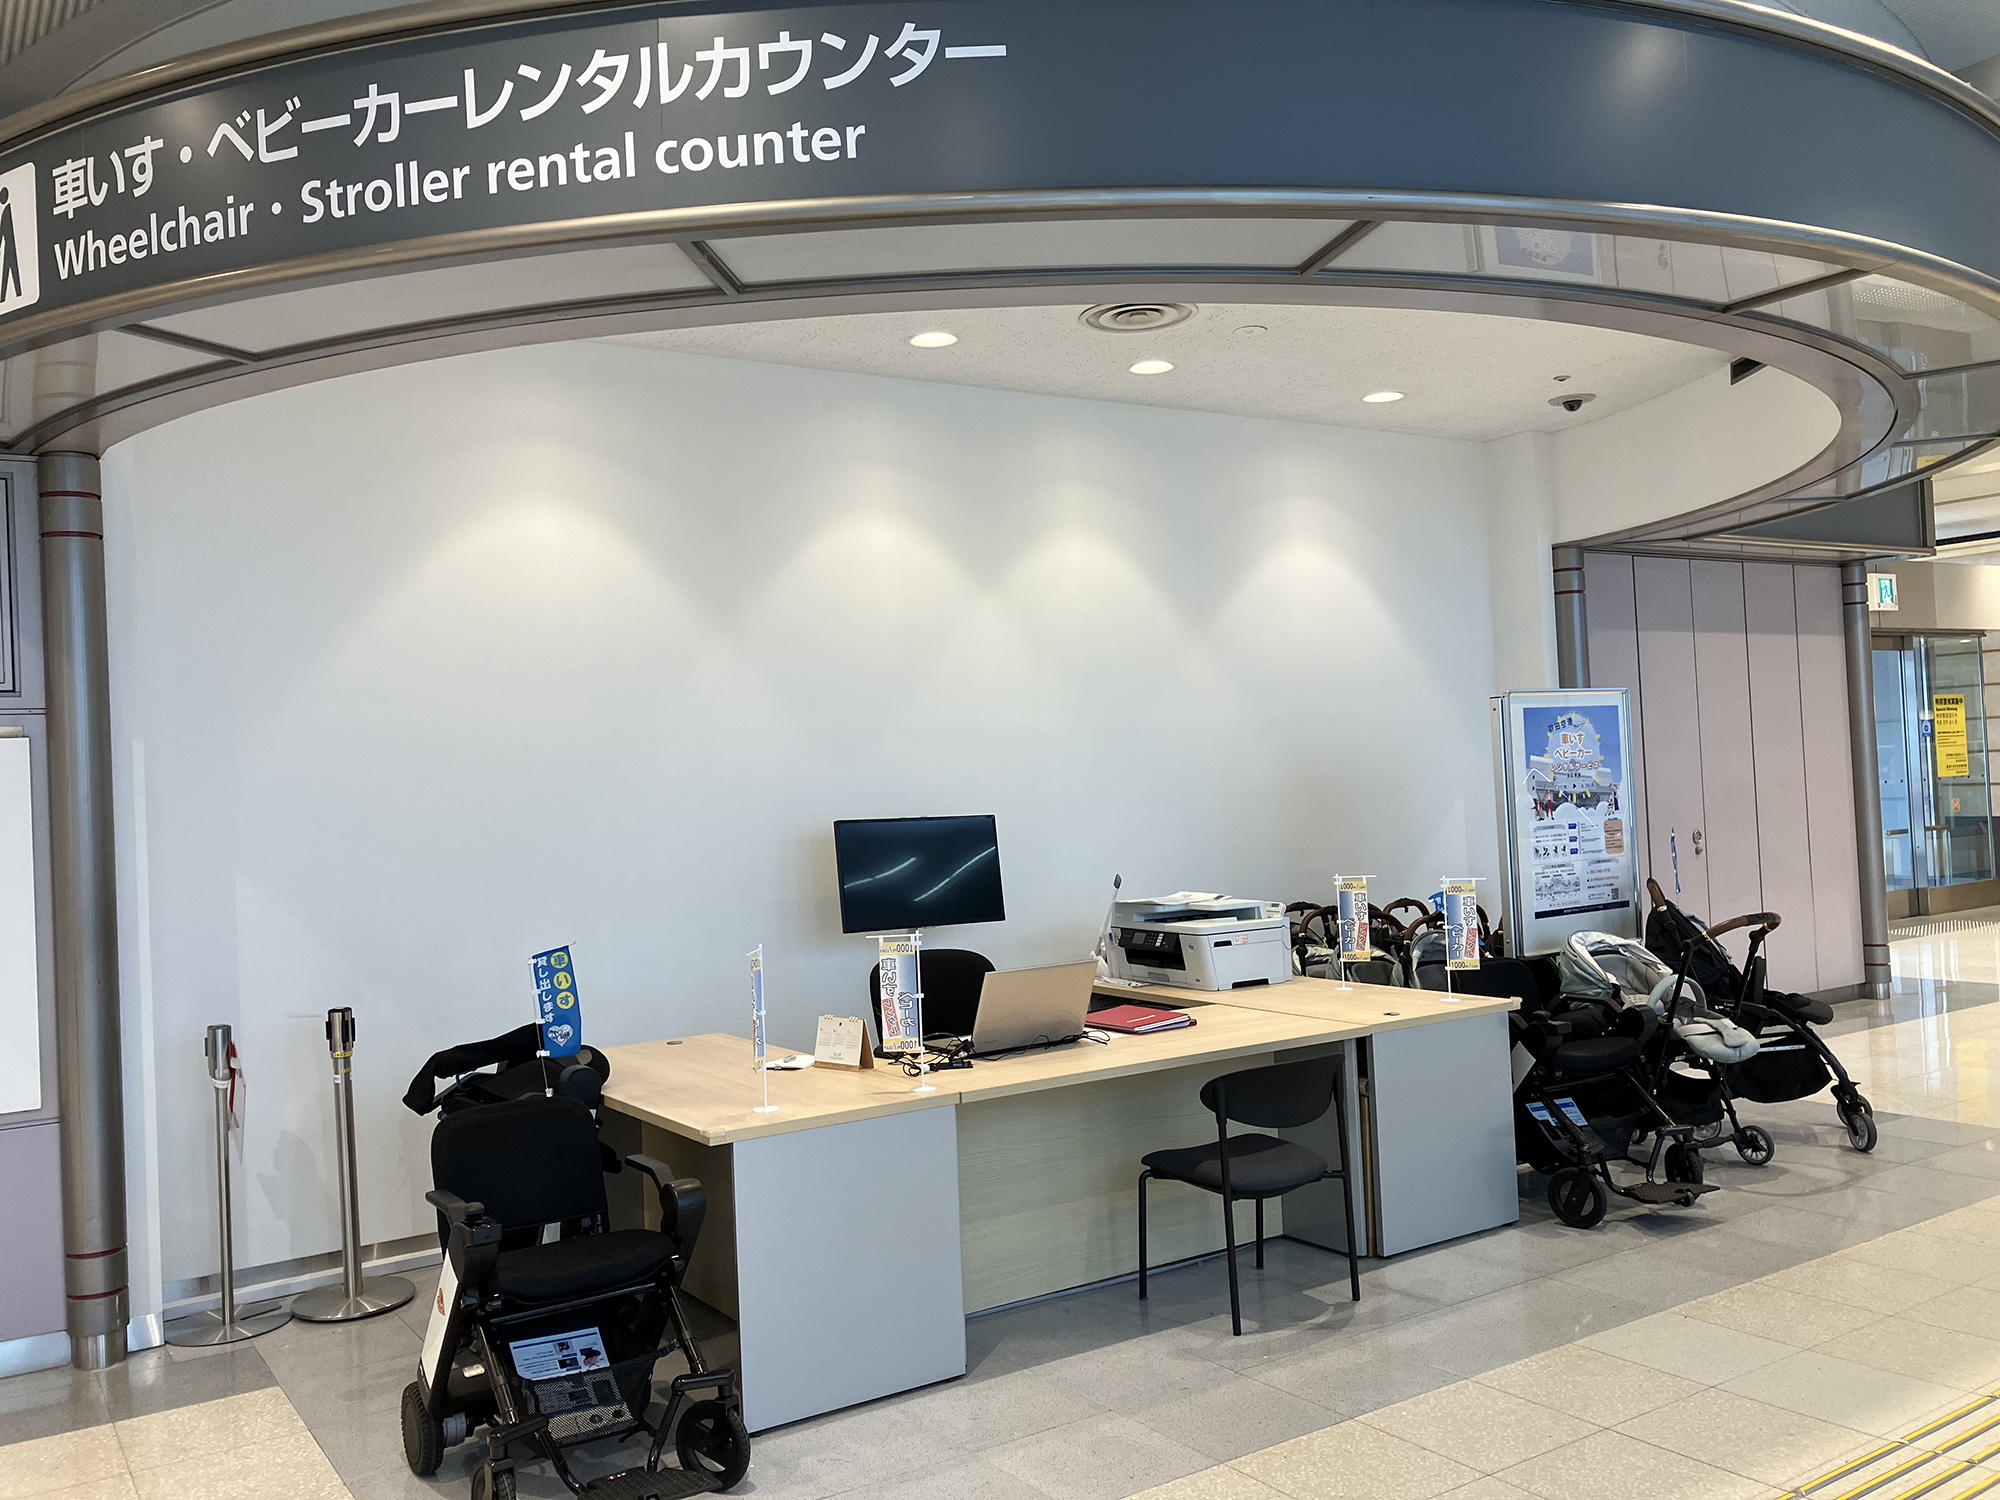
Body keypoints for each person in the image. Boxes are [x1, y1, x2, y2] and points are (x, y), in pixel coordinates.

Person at [0, 186, 20, 306]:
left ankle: (5, 295)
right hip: (9, 246)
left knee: (9, 271)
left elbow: (3, 230)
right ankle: (5, 295)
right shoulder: (5, 211)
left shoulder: (6, 211)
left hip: (10, 246)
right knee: (9, 272)